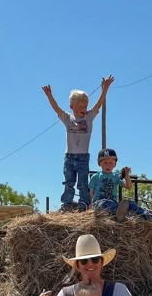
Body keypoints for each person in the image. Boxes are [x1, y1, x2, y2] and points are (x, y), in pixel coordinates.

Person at [42, 76, 114, 212]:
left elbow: (98, 104)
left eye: (85, 106)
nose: (84, 108)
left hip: (83, 157)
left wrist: (105, 88)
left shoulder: (89, 117)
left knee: (82, 183)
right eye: (80, 106)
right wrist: (49, 96)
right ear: (71, 106)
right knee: (69, 182)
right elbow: (57, 109)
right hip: (69, 157)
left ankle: (83, 203)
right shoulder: (68, 119)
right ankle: (67, 204)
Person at [89, 148, 152, 222]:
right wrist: (90, 206)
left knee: (131, 203)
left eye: (111, 163)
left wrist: (126, 176)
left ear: (115, 164)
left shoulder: (115, 176)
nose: (108, 165)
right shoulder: (96, 177)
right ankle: (121, 214)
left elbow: (128, 187)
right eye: (105, 162)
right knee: (105, 203)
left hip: (113, 202)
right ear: (99, 163)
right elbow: (90, 192)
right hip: (99, 202)